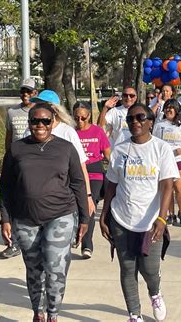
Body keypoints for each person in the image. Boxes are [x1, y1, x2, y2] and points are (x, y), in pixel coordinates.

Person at [0, 103, 89, 322]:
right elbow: (6, 186)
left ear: (53, 122)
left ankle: (53, 314)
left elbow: (78, 183)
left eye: (45, 121)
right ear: (29, 123)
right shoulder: (16, 149)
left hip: (61, 215)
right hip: (25, 217)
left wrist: (85, 217)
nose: (40, 125)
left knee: (55, 266)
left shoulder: (65, 148)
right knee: (33, 269)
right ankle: (38, 313)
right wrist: (5, 218)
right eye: (35, 121)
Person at [99, 103, 179, 322]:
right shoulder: (120, 149)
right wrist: (104, 216)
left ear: (150, 122)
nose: (135, 122)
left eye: (140, 117)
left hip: (151, 220)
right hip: (121, 218)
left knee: (150, 269)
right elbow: (111, 185)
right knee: (127, 269)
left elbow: (167, 186)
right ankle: (134, 314)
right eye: (130, 119)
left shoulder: (161, 148)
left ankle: (155, 293)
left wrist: (162, 218)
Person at [0, 78, 38, 259]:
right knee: (13, 200)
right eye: (23, 91)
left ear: (35, 93)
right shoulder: (12, 112)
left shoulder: (40, 112)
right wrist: (8, 157)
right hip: (16, 161)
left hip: (35, 163)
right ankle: (14, 243)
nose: (25, 94)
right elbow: (9, 137)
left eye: (29, 91)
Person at [73, 101, 111, 259]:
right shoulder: (71, 132)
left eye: (83, 118)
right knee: (75, 208)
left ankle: (87, 245)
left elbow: (108, 154)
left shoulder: (98, 132)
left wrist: (116, 172)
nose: (80, 121)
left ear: (89, 115)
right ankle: (77, 234)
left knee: (89, 207)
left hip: (95, 174)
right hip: (76, 174)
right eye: (76, 118)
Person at [152, 98, 181, 226]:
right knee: (168, 187)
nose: (168, 110)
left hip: (179, 160)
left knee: (178, 186)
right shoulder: (159, 125)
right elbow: (154, 142)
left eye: (171, 108)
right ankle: (170, 214)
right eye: (166, 107)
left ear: (177, 110)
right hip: (164, 160)